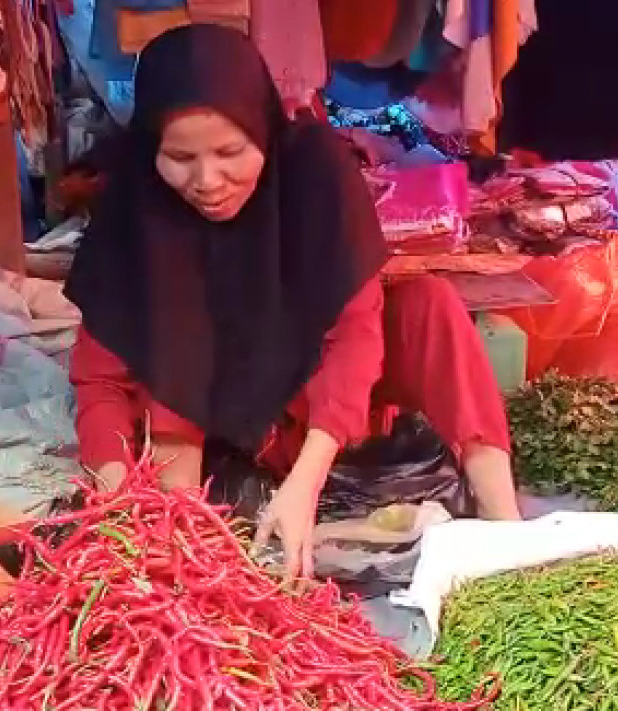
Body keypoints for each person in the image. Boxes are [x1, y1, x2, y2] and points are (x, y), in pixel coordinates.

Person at [64, 24, 523, 581]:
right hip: (220, 420)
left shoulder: (315, 171)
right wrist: (118, 506)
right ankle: (179, 526)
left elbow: (355, 335)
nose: (207, 180)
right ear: (150, 147)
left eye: (231, 151)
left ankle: (506, 523)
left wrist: (305, 483)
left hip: (327, 409)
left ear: (262, 129)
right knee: (170, 322)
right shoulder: (135, 203)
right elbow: (101, 377)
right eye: (180, 157)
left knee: (430, 304)